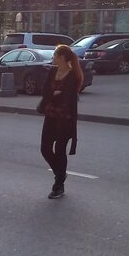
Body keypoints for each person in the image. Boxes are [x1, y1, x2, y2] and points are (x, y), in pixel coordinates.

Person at [37, 45, 82, 200]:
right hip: (50, 116)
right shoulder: (52, 71)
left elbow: (67, 98)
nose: (53, 57)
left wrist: (53, 95)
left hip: (65, 119)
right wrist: (53, 94)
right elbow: (44, 91)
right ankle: (61, 173)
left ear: (62, 57)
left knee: (60, 150)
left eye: (55, 55)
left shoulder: (72, 76)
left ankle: (59, 185)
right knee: (45, 148)